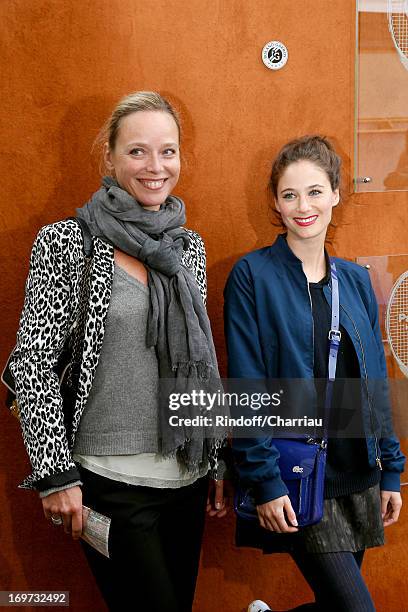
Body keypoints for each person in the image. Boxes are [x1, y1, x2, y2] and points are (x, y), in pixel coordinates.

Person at [10, 91, 228, 612]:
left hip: (186, 474)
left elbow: (199, 359)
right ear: (108, 157)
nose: (156, 167)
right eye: (137, 152)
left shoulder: (187, 246)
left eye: (168, 151)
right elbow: (32, 362)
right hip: (109, 480)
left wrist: (216, 459)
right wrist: (53, 476)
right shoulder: (68, 242)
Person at [224, 135, 405, 612]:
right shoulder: (252, 276)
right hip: (300, 473)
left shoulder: (357, 279)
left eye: (315, 191)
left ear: (336, 194)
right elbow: (247, 386)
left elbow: (374, 384)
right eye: (290, 194)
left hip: (358, 471)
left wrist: (391, 468)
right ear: (276, 203)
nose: (303, 206)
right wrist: (263, 479)